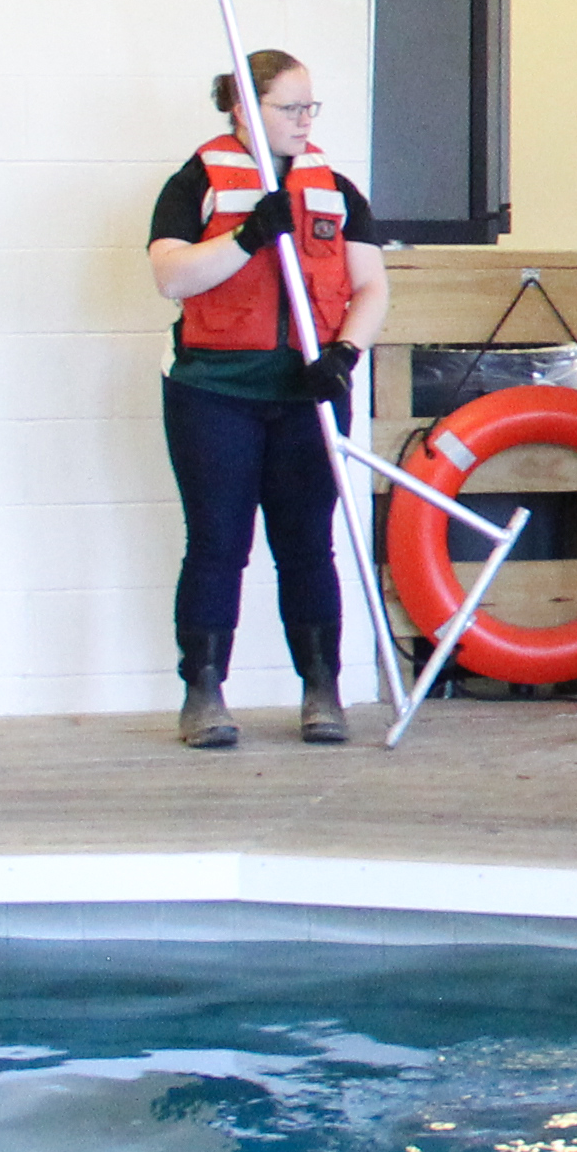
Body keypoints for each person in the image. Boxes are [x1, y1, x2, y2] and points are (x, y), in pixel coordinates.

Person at [147, 50, 388, 750]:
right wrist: (250, 233)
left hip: (306, 392)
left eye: (311, 108)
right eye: (290, 108)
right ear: (243, 110)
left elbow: (370, 285)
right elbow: (171, 276)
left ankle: (322, 690)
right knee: (218, 544)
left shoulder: (336, 190)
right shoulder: (194, 184)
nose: (303, 121)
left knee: (310, 545)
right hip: (214, 392)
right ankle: (204, 693)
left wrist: (343, 352)